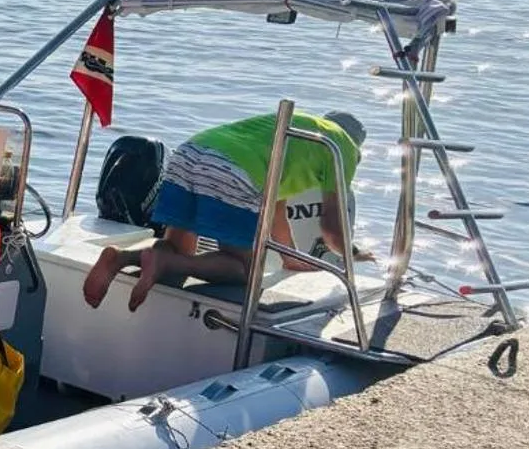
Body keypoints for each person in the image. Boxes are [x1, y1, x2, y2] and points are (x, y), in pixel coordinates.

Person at [83, 110, 367, 312]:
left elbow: (276, 208)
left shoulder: (301, 131)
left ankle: (120, 258)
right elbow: (331, 228)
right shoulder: (342, 148)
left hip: (190, 152)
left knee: (178, 247)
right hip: (232, 168)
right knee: (244, 270)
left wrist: (289, 258)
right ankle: (164, 263)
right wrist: (353, 256)